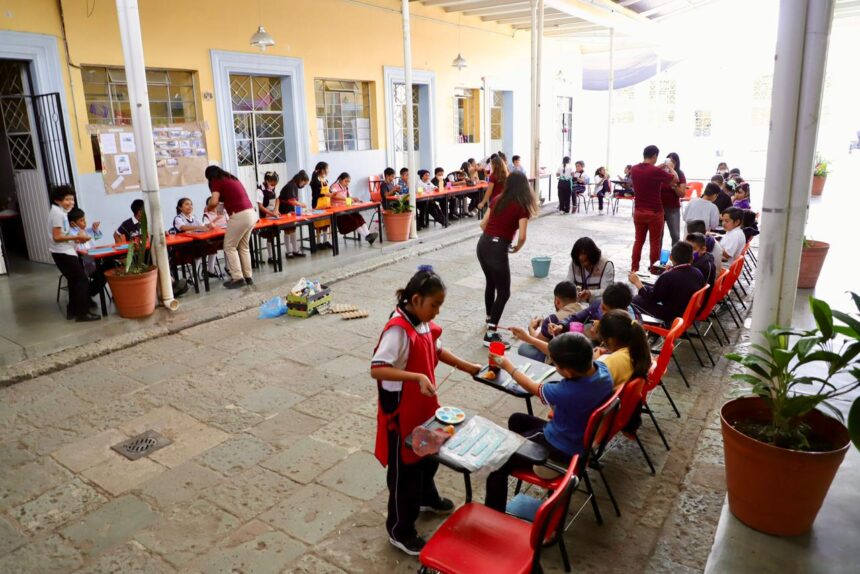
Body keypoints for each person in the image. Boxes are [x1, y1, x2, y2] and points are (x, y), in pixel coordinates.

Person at [370, 266, 482, 555]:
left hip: (424, 409)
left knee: (428, 458)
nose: (437, 312)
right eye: (434, 305)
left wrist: (468, 367)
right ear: (417, 300)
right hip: (401, 414)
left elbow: (438, 350)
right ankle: (400, 530)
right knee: (405, 472)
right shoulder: (398, 329)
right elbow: (378, 369)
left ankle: (425, 497)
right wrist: (417, 377)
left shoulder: (422, 322)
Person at [483, 332, 614, 512]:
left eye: (555, 364)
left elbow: (534, 388)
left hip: (558, 446)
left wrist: (508, 366)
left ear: (567, 372)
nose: (553, 364)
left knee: (496, 462)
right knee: (517, 420)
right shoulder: (603, 371)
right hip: (577, 436)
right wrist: (530, 339)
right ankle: (520, 451)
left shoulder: (567, 392)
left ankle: (492, 512)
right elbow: (562, 356)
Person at [477, 172, 538, 348]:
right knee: (504, 292)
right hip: (498, 249)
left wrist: (493, 234)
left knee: (491, 283)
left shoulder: (497, 199)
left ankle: (489, 318)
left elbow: (482, 224)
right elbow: (523, 236)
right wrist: (517, 247)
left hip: (483, 244)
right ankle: (490, 334)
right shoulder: (522, 206)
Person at [114, 197, 189, 296]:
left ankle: (169, 284)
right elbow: (116, 234)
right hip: (137, 256)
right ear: (139, 212)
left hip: (148, 251)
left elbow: (156, 232)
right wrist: (123, 248)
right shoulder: (127, 224)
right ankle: (170, 285)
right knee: (155, 260)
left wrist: (163, 233)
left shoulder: (148, 221)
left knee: (163, 255)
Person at [48, 186, 99, 322]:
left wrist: (76, 238)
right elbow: (57, 237)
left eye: (72, 199)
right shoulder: (58, 214)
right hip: (63, 252)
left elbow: (63, 234)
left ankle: (72, 309)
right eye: (67, 199)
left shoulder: (61, 212)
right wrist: (77, 237)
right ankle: (82, 313)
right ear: (57, 200)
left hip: (65, 250)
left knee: (74, 281)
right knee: (82, 280)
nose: (71, 202)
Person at [628, 241, 705, 324]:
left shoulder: (669, 276)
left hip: (672, 317)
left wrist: (637, 282)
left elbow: (652, 297)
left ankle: (635, 327)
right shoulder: (698, 273)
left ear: (671, 257)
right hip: (688, 314)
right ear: (692, 258)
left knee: (635, 300)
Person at [206, 166, 257, 288]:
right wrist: (217, 212)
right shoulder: (232, 179)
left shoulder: (215, 180)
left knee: (229, 246)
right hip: (251, 213)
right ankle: (248, 277)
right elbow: (221, 204)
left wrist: (208, 208)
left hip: (239, 215)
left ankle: (237, 278)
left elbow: (214, 202)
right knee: (243, 247)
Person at [630, 145, 678, 272]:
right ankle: (653, 269)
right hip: (655, 213)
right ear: (655, 156)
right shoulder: (655, 171)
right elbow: (675, 179)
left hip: (638, 211)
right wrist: (671, 168)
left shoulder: (634, 169)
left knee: (638, 241)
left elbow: (648, 172)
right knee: (655, 243)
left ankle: (634, 269)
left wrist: (658, 167)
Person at [514, 281, 580, 363]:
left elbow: (537, 342)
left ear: (557, 301)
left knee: (524, 348)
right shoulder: (584, 310)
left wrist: (531, 328)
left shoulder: (554, 319)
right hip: (577, 354)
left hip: (560, 359)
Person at [594, 309, 652, 390]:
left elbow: (592, 386)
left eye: (603, 341)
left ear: (611, 340)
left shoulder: (612, 362)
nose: (603, 344)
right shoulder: (640, 350)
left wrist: (595, 363)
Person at [68, 207, 107, 305]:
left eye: (84, 219)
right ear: (72, 223)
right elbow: (78, 243)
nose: (85, 222)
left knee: (109, 268)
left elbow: (98, 236)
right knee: (102, 275)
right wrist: (79, 231)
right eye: (81, 220)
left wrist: (95, 229)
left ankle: (87, 295)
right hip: (82, 265)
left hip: (92, 262)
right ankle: (86, 296)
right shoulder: (71, 234)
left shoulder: (86, 230)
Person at [330, 172, 378, 244]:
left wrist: (355, 199)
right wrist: (347, 199)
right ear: (340, 180)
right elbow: (335, 195)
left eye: (348, 182)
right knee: (354, 221)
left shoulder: (346, 188)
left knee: (358, 217)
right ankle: (367, 236)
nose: (347, 183)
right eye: (346, 181)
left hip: (346, 209)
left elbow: (349, 198)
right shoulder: (335, 186)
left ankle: (368, 235)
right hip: (339, 213)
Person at [567, 236, 615, 302]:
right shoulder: (575, 263)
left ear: (592, 253)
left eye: (583, 253)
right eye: (578, 254)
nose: (580, 257)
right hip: (579, 303)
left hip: (599, 304)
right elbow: (568, 283)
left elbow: (606, 290)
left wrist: (591, 293)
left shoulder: (606, 265)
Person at [278, 170, 309, 258]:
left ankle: (295, 249)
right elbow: (291, 200)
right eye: (304, 183)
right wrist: (302, 205)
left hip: (289, 209)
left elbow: (294, 200)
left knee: (293, 229)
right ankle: (288, 251)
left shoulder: (294, 185)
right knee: (287, 230)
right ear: (301, 180)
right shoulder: (291, 185)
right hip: (284, 209)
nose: (303, 185)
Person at [661, 152, 687, 247]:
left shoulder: (679, 174)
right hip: (659, 208)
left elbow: (682, 194)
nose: (670, 163)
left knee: (675, 235)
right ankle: (656, 255)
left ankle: (676, 254)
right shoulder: (661, 173)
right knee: (658, 235)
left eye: (673, 161)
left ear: (676, 163)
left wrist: (675, 186)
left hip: (673, 208)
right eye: (668, 160)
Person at [255, 171, 279, 264]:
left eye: (275, 184)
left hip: (273, 215)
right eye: (272, 184)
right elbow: (260, 207)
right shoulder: (260, 190)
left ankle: (273, 255)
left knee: (273, 235)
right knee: (269, 236)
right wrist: (271, 214)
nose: (273, 186)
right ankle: (270, 257)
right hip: (265, 217)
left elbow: (277, 199)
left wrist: (276, 210)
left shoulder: (273, 188)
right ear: (267, 181)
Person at [202, 197, 228, 278]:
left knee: (229, 246)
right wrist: (217, 218)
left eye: (216, 203)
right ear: (207, 206)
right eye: (211, 203)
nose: (214, 205)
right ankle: (210, 270)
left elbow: (229, 221)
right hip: (213, 237)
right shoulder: (206, 215)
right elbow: (207, 226)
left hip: (225, 234)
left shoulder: (223, 211)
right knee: (213, 249)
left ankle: (228, 268)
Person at [687, 232, 717, 302]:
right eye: (686, 248)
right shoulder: (707, 256)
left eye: (693, 249)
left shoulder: (699, 267)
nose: (688, 252)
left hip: (696, 303)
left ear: (703, 249)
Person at [310, 162, 333, 249]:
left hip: (326, 204)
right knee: (319, 224)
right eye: (327, 169)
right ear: (323, 170)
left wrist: (332, 193)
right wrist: (325, 194)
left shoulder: (326, 180)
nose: (328, 170)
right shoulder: (315, 181)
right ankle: (318, 242)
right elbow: (315, 195)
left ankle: (325, 241)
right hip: (318, 205)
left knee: (326, 223)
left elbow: (328, 191)